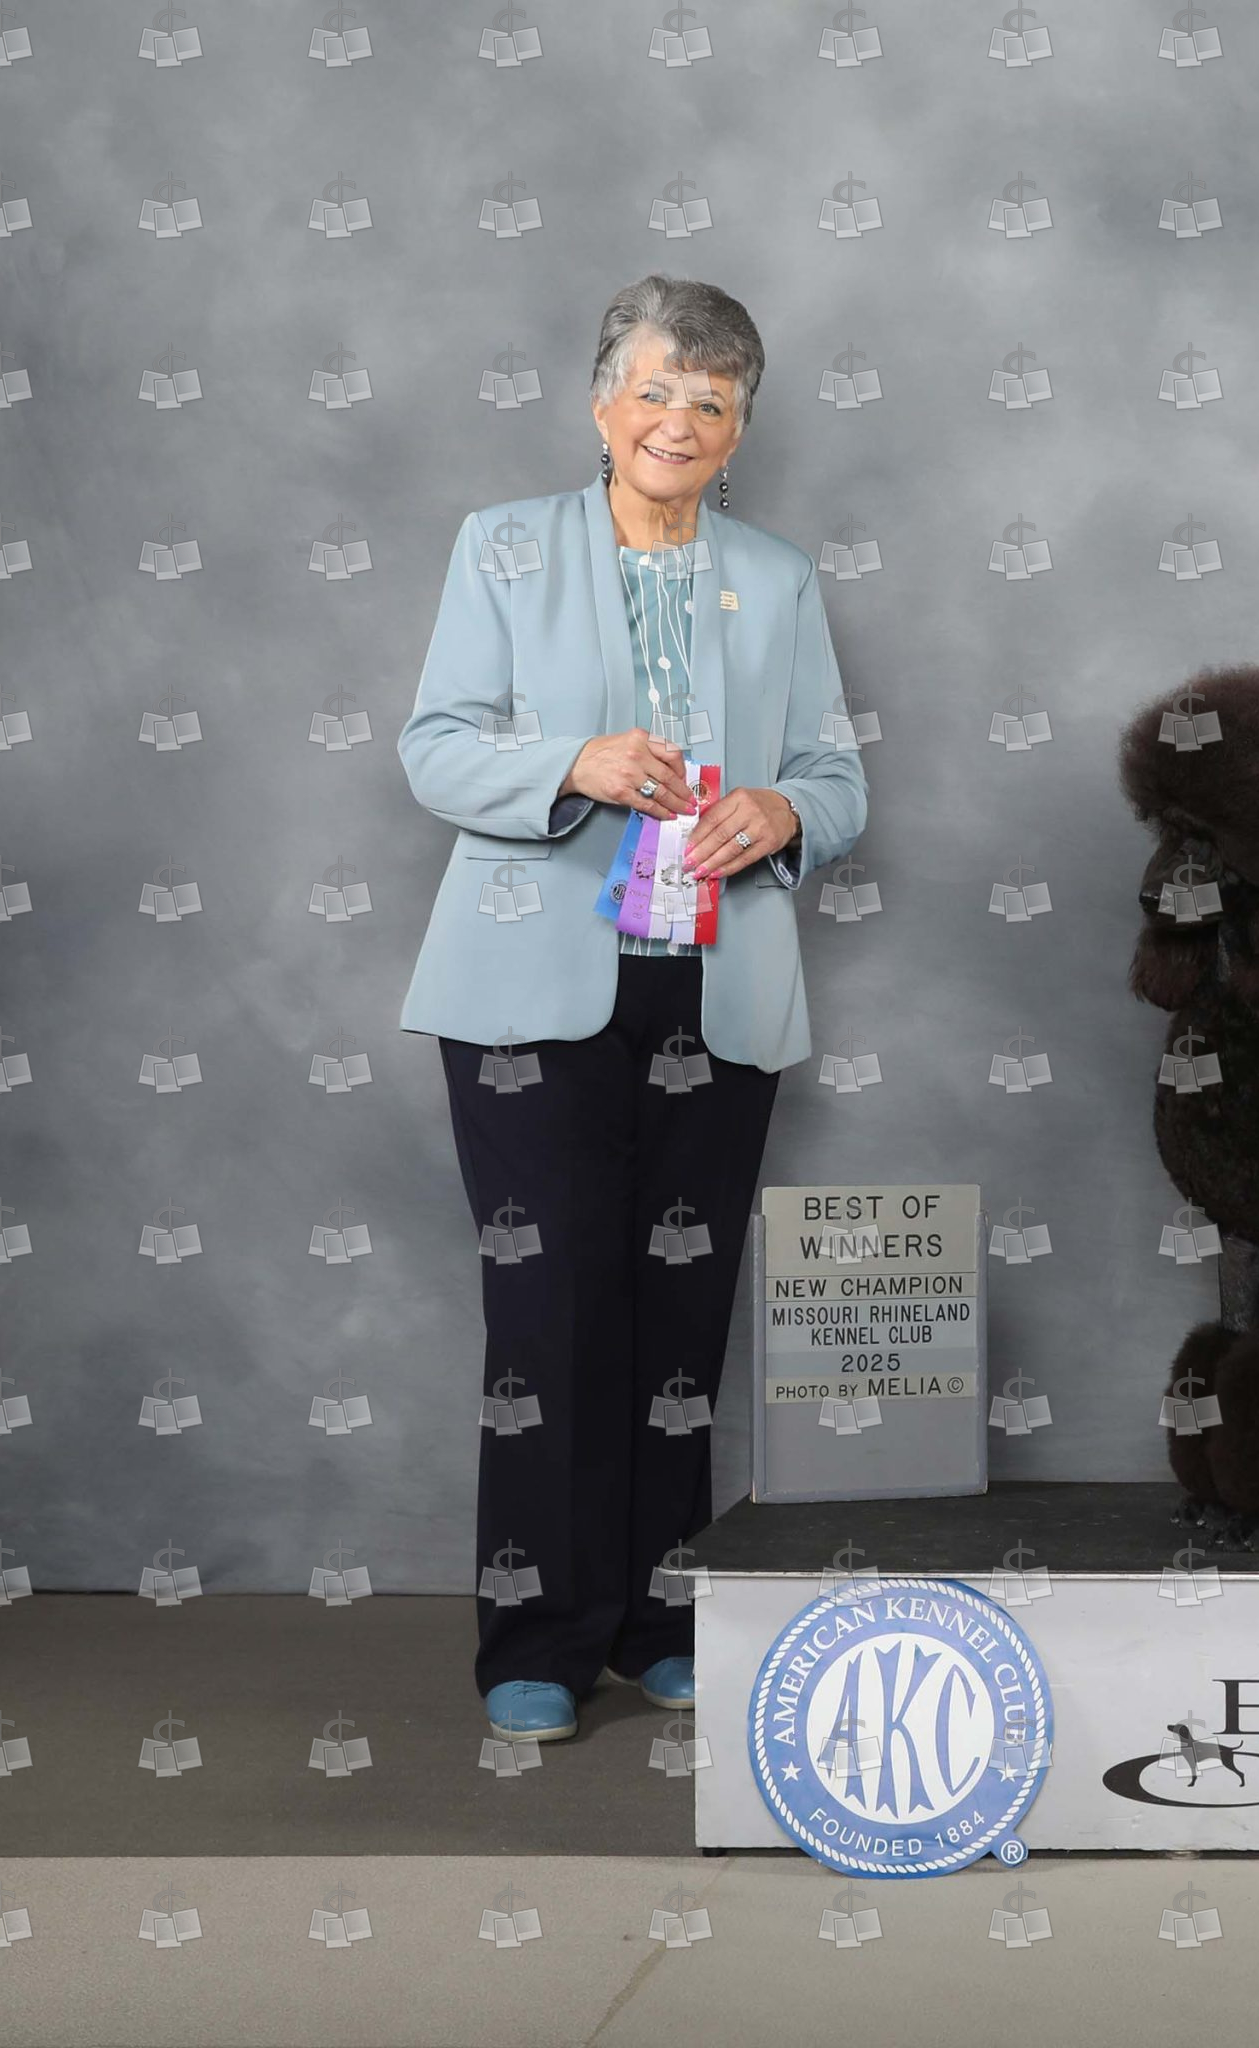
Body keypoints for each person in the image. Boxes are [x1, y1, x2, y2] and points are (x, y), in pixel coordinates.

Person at [395, 275, 866, 1742]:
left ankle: (665, 1616)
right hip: (529, 994)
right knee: (550, 1314)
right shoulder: (504, 545)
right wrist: (567, 767)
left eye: (710, 401)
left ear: (740, 432)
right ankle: (539, 1635)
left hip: (716, 984)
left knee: (680, 1318)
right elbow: (432, 748)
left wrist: (784, 811)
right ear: (602, 407)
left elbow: (838, 780)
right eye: (655, 390)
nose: (679, 419)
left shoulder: (778, 578)